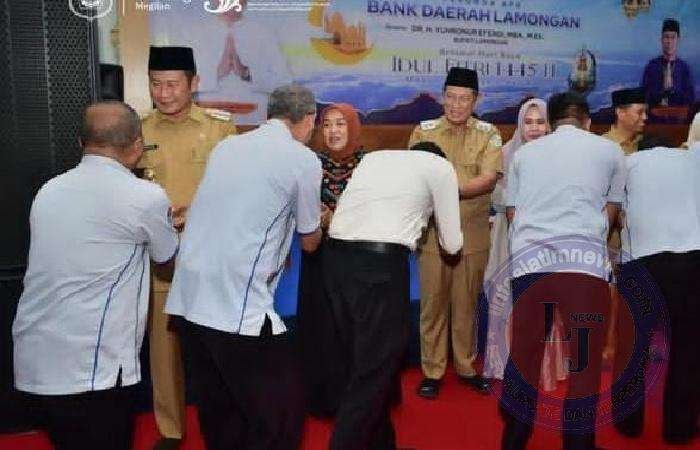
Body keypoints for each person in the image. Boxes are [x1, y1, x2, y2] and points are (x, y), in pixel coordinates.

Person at [12, 102, 179, 450]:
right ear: (137, 146)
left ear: (80, 143)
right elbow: (166, 259)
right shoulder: (144, 196)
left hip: (35, 359)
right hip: (91, 368)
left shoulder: (49, 190)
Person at [164, 84, 322, 450]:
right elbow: (309, 240)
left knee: (220, 409)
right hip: (236, 304)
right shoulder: (302, 159)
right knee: (281, 415)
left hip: (189, 297)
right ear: (308, 120)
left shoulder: (228, 146)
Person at [501, 91, 626, 450]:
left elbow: (513, 212)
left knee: (524, 355)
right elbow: (611, 210)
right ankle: (578, 443)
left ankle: (513, 439)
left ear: (551, 122)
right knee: (584, 362)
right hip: (583, 268)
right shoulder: (610, 151)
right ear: (587, 121)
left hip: (531, 265)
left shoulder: (525, 154)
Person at [324, 142, 463, 450]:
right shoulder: (440, 167)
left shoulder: (376, 158)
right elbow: (452, 244)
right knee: (375, 368)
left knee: (365, 361)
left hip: (334, 260)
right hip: (379, 267)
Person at [138, 45, 237, 450]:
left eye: (172, 85)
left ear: (194, 83)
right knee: (163, 351)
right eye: (156, 84)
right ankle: (171, 430)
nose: (163, 94)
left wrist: (195, 211)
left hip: (209, 255)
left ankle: (227, 425)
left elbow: (233, 187)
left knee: (218, 346)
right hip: (160, 258)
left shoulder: (220, 129)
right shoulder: (138, 130)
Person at [408, 67, 503, 399]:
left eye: (464, 99)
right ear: (442, 97)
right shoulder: (423, 131)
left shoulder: (489, 134)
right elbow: (415, 177)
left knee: (466, 304)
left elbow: (488, 178)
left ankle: (465, 366)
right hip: (432, 235)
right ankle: (432, 371)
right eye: (451, 97)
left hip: (472, 235)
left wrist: (446, 189)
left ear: (476, 100)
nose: (456, 105)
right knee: (432, 305)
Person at [612, 146, 700, 444]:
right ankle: (680, 429)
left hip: (641, 260)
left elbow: (617, 212)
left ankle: (627, 422)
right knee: (688, 348)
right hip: (691, 259)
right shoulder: (693, 158)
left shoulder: (628, 162)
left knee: (632, 346)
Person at [482, 97, 568, 392]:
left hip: (548, 238)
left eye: (540, 122)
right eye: (528, 122)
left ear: (550, 125)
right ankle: (506, 364)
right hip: (508, 236)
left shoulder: (559, 157)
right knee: (508, 298)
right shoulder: (506, 153)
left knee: (544, 301)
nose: (534, 128)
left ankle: (543, 366)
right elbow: (495, 196)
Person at [297, 103, 365, 417]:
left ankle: (358, 399)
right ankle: (322, 398)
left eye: (340, 124)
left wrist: (332, 219)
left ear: (353, 127)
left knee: (355, 329)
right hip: (320, 258)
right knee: (321, 328)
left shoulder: (369, 167)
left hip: (357, 261)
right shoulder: (310, 165)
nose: (333, 131)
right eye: (327, 125)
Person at [601, 87, 648, 361]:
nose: (645, 118)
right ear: (620, 113)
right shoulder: (602, 147)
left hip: (642, 233)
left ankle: (631, 344)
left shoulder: (646, 146)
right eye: (639, 112)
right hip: (610, 233)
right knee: (609, 292)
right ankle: (607, 345)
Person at [195, 0, 293, 124]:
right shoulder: (198, 33)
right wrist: (217, 73)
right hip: (210, 121)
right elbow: (184, 84)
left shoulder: (263, 33)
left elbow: (284, 80)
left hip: (253, 121)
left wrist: (247, 73)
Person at [641, 18, 695, 107]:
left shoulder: (684, 69)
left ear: (678, 40)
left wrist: (672, 91)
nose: (669, 42)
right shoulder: (651, 67)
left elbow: (690, 100)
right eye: (666, 37)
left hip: (679, 114)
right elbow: (644, 97)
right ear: (661, 39)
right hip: (655, 114)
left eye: (673, 37)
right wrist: (661, 93)